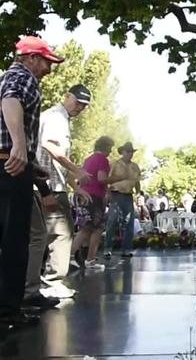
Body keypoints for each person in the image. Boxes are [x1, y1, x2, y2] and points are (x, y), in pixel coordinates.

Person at [1, 36, 64, 328]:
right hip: (11, 166)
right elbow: (10, 100)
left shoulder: (9, 75)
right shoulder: (21, 77)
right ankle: (8, 311)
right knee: (15, 240)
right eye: (47, 62)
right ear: (31, 58)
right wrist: (18, 145)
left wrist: (30, 160)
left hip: (10, 161)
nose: (49, 69)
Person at [36, 83, 93, 300]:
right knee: (61, 234)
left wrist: (75, 186)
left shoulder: (57, 118)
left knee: (41, 237)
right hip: (47, 186)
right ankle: (52, 282)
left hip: (49, 184)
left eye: (84, 105)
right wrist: (77, 170)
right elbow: (51, 147)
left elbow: (57, 162)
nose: (80, 108)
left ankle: (35, 285)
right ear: (67, 96)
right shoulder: (56, 118)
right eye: (78, 102)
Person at [70, 136, 118, 270]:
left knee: (87, 227)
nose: (110, 152)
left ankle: (78, 256)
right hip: (94, 197)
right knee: (94, 228)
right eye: (110, 148)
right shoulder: (102, 160)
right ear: (106, 148)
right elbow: (102, 179)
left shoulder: (88, 159)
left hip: (84, 195)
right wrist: (116, 179)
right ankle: (84, 258)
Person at [104, 142, 142, 258]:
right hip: (116, 193)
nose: (130, 154)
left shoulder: (135, 166)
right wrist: (108, 193)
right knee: (112, 221)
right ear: (123, 152)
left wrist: (139, 193)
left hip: (128, 195)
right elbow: (107, 179)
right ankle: (108, 248)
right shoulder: (115, 164)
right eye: (128, 152)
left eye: (131, 152)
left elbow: (137, 181)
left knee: (129, 222)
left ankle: (127, 248)